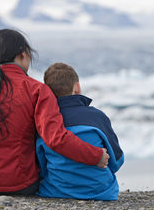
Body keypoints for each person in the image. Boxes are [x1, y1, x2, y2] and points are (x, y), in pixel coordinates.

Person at [0, 29, 109, 195]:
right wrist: (96, 155)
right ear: (24, 54)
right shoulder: (37, 90)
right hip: (17, 185)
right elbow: (55, 138)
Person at [36, 63, 124, 200]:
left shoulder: (45, 123)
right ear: (77, 87)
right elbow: (117, 161)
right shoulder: (97, 117)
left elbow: (40, 165)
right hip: (101, 192)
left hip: (56, 190)